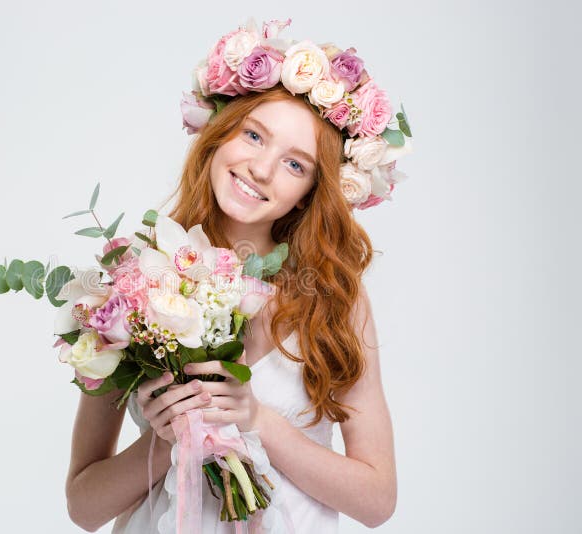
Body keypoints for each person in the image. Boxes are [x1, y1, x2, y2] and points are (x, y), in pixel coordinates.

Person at [65, 20, 405, 533]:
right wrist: (164, 440)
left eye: (295, 165)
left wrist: (257, 421)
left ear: (313, 191)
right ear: (220, 135)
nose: (261, 169)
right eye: (253, 136)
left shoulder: (336, 300)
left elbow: (377, 500)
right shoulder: (132, 284)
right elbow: (84, 508)